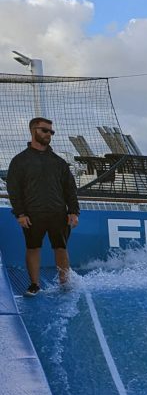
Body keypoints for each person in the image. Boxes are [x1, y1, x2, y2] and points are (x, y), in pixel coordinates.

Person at [5, 117, 80, 295]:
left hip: (58, 213)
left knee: (61, 248)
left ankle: (65, 284)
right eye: (44, 130)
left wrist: (73, 212)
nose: (49, 134)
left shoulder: (58, 162)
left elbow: (70, 188)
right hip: (32, 214)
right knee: (33, 248)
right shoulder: (19, 161)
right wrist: (20, 214)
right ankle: (34, 285)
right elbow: (14, 190)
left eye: (51, 132)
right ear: (33, 131)